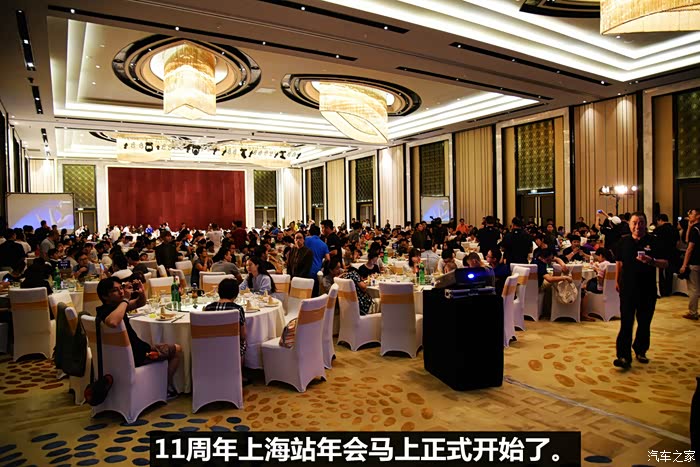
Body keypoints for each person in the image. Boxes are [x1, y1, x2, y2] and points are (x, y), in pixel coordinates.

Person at [96, 277, 181, 399]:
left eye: (121, 288)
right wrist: (125, 299)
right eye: (115, 290)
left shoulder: (112, 308)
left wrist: (141, 293)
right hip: (139, 355)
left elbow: (139, 303)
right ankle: (165, 388)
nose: (121, 292)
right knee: (177, 349)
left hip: (122, 355)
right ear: (105, 296)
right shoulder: (110, 311)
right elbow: (113, 322)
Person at [613, 212, 668, 369]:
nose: (638, 226)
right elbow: (619, 263)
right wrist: (617, 281)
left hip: (647, 288)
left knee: (644, 322)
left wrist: (652, 261)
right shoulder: (623, 242)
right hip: (628, 288)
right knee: (626, 322)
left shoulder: (654, 241)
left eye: (641, 223)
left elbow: (665, 263)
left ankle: (640, 350)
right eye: (635, 223)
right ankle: (623, 356)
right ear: (630, 224)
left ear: (646, 224)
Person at [203, 278, 247, 375]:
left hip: (211, 346)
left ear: (219, 292)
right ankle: (237, 375)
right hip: (231, 347)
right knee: (243, 343)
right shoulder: (237, 309)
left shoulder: (208, 308)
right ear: (236, 294)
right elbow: (243, 335)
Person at [534, 248, 572, 316]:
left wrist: (563, 265)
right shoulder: (540, 265)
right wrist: (565, 278)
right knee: (554, 284)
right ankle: (551, 309)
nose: (551, 261)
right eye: (549, 259)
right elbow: (550, 279)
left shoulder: (537, 259)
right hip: (538, 286)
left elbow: (557, 259)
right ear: (545, 258)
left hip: (532, 284)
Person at [579, 248, 613, 322]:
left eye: (597, 256)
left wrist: (597, 270)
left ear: (601, 255)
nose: (597, 258)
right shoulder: (610, 264)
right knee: (588, 283)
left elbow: (600, 279)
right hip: (610, 289)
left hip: (600, 288)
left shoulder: (602, 264)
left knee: (583, 288)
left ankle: (583, 313)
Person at [680, 208, 699, 320]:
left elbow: (689, 247)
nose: (689, 215)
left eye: (691, 213)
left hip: (694, 262)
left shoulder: (695, 230)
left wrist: (684, 265)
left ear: (698, 216)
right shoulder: (694, 229)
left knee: (693, 289)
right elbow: (687, 240)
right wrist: (689, 227)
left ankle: (693, 312)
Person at [305, 225, 330, 295]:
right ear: (319, 234)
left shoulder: (305, 240)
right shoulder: (323, 244)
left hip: (304, 270)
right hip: (316, 271)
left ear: (309, 232)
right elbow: (328, 259)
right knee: (314, 293)